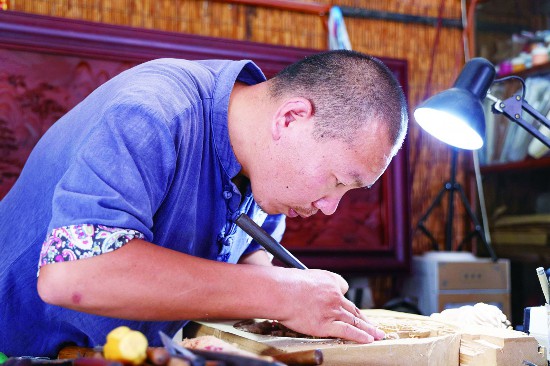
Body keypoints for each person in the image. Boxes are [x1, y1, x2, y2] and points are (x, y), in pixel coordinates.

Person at [0, 50, 408, 358]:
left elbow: (246, 275)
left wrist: (282, 315)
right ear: (290, 118)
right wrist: (282, 292)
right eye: (337, 180)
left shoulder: (266, 176)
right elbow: (72, 275)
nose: (330, 207)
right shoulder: (151, 113)